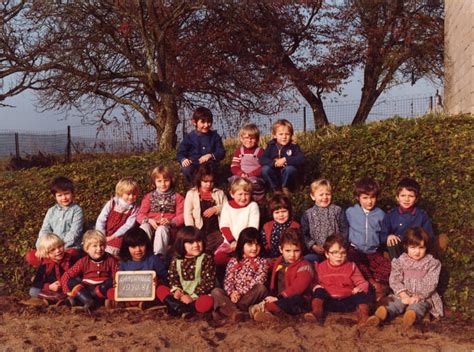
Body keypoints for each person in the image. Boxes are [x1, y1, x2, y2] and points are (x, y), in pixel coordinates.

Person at [368, 227, 443, 327]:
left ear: (426, 247)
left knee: (418, 306)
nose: (417, 252)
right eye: (413, 247)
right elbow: (395, 279)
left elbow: (431, 283)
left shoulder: (432, 263)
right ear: (406, 246)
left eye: (421, 248)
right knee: (395, 303)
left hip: (422, 296)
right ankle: (382, 314)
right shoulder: (401, 261)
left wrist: (419, 296)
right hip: (403, 293)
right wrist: (404, 295)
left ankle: (412, 315)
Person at [304, 234, 371, 326]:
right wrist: (315, 286)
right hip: (328, 301)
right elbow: (313, 283)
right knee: (318, 291)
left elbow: (362, 283)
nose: (339, 256)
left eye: (343, 253)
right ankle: (317, 313)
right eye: (335, 252)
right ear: (327, 254)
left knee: (361, 294)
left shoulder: (351, 266)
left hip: (347, 301)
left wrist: (359, 288)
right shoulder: (321, 267)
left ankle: (364, 317)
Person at [249, 228, 314, 322]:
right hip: (278, 298)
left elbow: (297, 288)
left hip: (298, 300)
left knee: (296, 299)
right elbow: (265, 265)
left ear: (302, 249)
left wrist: (278, 298)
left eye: (296, 250)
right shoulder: (279, 261)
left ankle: (266, 308)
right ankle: (271, 316)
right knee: (265, 292)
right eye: (288, 251)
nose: (292, 255)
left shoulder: (305, 266)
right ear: (280, 249)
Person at [345, 177, 390, 300]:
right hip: (356, 250)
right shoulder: (350, 212)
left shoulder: (380, 214)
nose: (369, 201)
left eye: (372, 197)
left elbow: (383, 233)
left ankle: (378, 284)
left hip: (373, 251)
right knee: (354, 264)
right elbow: (345, 229)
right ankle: (373, 283)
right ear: (358, 198)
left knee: (388, 266)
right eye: (365, 198)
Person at [211, 228, 269, 322]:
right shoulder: (233, 261)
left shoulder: (262, 262)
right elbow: (228, 280)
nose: (254, 248)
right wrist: (231, 293)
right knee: (216, 291)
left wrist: (240, 294)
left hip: (248, 297)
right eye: (250, 244)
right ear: (242, 245)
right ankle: (236, 313)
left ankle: (226, 312)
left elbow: (259, 280)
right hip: (233, 296)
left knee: (261, 288)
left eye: (257, 244)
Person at [156, 226, 215, 317]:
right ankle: (179, 307)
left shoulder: (206, 258)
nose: (196, 245)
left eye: (199, 241)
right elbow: (172, 278)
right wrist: (177, 290)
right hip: (181, 296)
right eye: (191, 242)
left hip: (198, 296)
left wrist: (192, 297)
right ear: (181, 244)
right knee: (160, 289)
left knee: (207, 301)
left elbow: (208, 281)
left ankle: (182, 308)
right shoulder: (176, 259)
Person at [26, 176, 83, 267]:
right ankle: (51, 270)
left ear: (72, 194)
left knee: (71, 254)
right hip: (51, 248)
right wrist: (41, 247)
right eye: (59, 195)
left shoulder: (77, 210)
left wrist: (59, 249)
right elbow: (45, 229)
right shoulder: (51, 211)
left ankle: (53, 272)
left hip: (68, 247)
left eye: (66, 193)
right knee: (31, 256)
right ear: (55, 197)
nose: (64, 197)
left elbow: (74, 232)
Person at [105, 227, 168, 309]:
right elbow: (121, 280)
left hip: (149, 293)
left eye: (141, 245)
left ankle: (135, 303)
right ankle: (129, 303)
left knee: (162, 290)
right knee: (110, 291)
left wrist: (158, 281)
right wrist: (116, 284)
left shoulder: (154, 259)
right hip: (130, 293)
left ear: (146, 245)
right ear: (127, 248)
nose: (138, 250)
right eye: (133, 247)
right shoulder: (125, 262)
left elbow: (166, 278)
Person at [61, 230, 118, 310]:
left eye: (101, 245)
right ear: (87, 248)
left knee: (110, 282)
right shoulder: (83, 261)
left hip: (102, 289)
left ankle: (81, 300)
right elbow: (67, 275)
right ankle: (88, 301)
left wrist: (115, 281)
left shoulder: (110, 259)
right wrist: (66, 291)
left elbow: (116, 273)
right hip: (86, 288)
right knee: (71, 281)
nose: (99, 248)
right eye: (95, 246)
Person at [137, 166, 184, 259]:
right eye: (159, 181)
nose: (163, 184)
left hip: (168, 229)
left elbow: (182, 215)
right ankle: (140, 254)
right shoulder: (149, 196)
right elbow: (140, 214)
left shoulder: (177, 197)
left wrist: (171, 221)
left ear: (171, 180)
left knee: (161, 229)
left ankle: (159, 257)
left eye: (166, 180)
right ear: (154, 182)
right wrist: (149, 220)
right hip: (151, 224)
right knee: (144, 227)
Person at [380, 177, 434, 259]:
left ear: (416, 198)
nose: (406, 199)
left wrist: (417, 240)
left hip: (415, 252)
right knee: (391, 245)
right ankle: (397, 267)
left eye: (411, 196)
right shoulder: (390, 215)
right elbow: (382, 236)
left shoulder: (422, 216)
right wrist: (388, 237)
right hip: (395, 253)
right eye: (403, 195)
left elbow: (429, 237)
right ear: (397, 197)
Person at [215, 177, 260, 266]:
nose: (243, 198)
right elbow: (224, 226)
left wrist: (242, 244)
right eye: (240, 194)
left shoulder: (252, 206)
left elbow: (253, 228)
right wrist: (232, 241)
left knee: (250, 261)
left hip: (247, 243)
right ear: (232, 194)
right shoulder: (227, 206)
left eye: (246, 194)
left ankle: (239, 266)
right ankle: (234, 265)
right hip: (230, 242)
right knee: (218, 258)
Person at [301, 179, 348, 263]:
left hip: (336, 252)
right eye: (321, 195)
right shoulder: (308, 214)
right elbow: (304, 234)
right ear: (313, 196)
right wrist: (313, 246)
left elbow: (344, 229)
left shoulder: (337, 210)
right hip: (316, 252)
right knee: (307, 260)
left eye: (328, 194)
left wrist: (339, 246)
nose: (325, 197)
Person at [184, 164, 227, 254]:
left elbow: (228, 208)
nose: (208, 184)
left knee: (219, 247)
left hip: (216, 230)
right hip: (199, 229)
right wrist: (192, 231)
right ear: (199, 180)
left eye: (211, 181)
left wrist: (216, 208)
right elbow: (187, 214)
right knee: (201, 248)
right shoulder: (191, 193)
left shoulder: (219, 193)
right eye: (205, 181)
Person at [177, 107, 225, 184]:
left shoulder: (215, 136)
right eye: (203, 122)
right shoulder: (189, 137)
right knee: (186, 169)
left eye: (209, 122)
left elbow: (221, 152)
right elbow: (180, 153)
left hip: (210, 164)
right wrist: (183, 159)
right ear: (194, 122)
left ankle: (212, 185)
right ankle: (193, 186)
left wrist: (211, 155)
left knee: (213, 169)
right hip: (194, 164)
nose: (206, 125)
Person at [95, 177, 140, 256]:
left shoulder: (134, 209)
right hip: (104, 232)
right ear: (121, 193)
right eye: (128, 194)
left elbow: (128, 226)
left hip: (120, 234)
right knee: (96, 242)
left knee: (116, 245)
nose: (131, 197)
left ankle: (112, 261)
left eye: (134, 194)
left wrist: (113, 236)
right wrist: (101, 234)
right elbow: (101, 219)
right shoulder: (112, 203)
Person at [259, 119, 305, 193]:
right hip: (275, 174)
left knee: (290, 169)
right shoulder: (271, 146)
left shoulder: (293, 146)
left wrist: (286, 159)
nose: (284, 137)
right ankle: (276, 189)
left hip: (287, 175)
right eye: (281, 134)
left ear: (291, 135)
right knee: (265, 169)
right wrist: (274, 163)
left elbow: (301, 158)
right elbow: (262, 159)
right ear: (274, 135)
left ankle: (286, 188)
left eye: (287, 134)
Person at [28, 233, 75, 304]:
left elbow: (77, 276)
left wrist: (64, 283)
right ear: (47, 253)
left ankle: (62, 300)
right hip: (52, 290)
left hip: (68, 289)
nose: (58, 251)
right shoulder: (45, 265)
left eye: (59, 246)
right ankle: (57, 299)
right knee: (33, 291)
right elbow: (37, 282)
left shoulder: (69, 259)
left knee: (77, 285)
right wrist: (49, 286)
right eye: (53, 250)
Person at [228, 123, 265, 203]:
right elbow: (234, 166)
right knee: (234, 180)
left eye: (252, 138)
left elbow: (262, 167)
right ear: (241, 139)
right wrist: (240, 173)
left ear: (257, 139)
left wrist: (251, 174)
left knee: (252, 182)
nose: (249, 140)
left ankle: (256, 197)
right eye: (246, 138)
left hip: (254, 177)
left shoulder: (260, 151)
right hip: (241, 175)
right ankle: (238, 197)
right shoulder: (238, 151)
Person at [260, 194, 300, 259]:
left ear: (289, 211)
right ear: (272, 213)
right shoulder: (267, 226)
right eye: (277, 212)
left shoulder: (295, 226)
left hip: (291, 258)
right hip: (271, 259)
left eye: (284, 211)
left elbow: (299, 246)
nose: (281, 215)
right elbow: (264, 244)